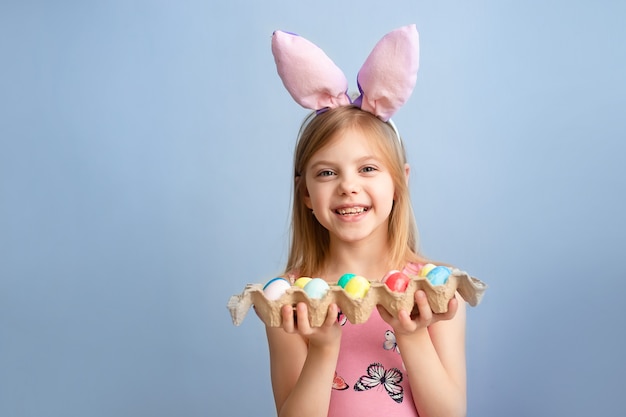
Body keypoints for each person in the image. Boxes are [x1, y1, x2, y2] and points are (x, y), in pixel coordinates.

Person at [265, 25, 467, 417]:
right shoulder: (289, 299)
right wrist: (323, 348)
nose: (348, 187)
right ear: (305, 193)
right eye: (326, 173)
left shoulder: (437, 288)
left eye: (368, 168)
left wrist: (412, 335)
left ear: (399, 183)